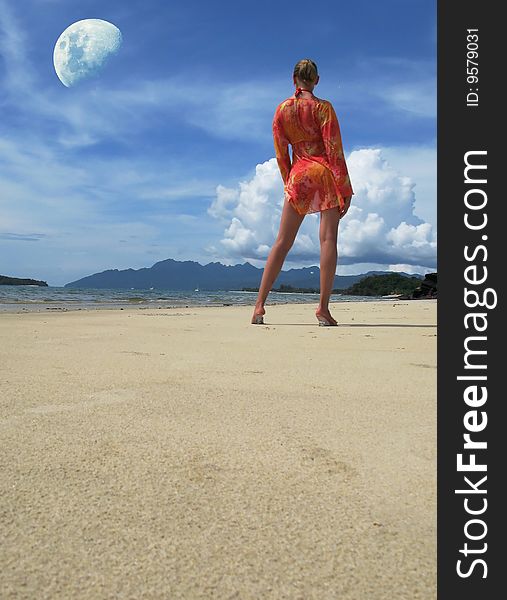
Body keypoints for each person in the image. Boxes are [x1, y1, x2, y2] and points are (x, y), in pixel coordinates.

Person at [251, 58, 354, 326]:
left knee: (282, 242)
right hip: (323, 172)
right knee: (328, 240)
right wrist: (345, 189)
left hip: (299, 174)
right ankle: (322, 309)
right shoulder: (323, 108)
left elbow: (280, 152)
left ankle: (259, 306)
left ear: (293, 79)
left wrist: (289, 181)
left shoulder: (282, 110)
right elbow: (334, 150)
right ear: (316, 80)